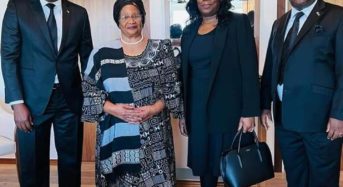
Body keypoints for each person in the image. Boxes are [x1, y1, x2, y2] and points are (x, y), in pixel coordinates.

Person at [81, 0, 184, 186]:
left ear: (143, 17)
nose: (131, 20)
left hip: (153, 132)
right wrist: (114, 109)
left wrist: (152, 109)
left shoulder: (162, 49)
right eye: (125, 16)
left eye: (135, 15)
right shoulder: (101, 53)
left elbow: (173, 88)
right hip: (115, 132)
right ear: (118, 21)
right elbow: (88, 90)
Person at [1, 0, 92, 186]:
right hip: (30, 102)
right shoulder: (18, 7)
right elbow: (8, 56)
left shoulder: (79, 13)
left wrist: (91, 97)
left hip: (70, 101)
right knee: (32, 167)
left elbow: (87, 58)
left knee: (71, 164)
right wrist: (17, 102)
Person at [261, 0, 343, 186]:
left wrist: (340, 113)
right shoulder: (280, 23)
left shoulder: (337, 16)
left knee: (323, 180)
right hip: (285, 119)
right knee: (295, 177)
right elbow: (270, 66)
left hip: (322, 121)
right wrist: (265, 104)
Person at [180, 0, 260, 186]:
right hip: (198, 111)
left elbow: (249, 68)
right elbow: (184, 76)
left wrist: (249, 111)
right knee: (205, 168)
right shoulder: (189, 31)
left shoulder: (238, 23)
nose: (206, 1)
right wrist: (184, 114)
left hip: (228, 110)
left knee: (234, 170)